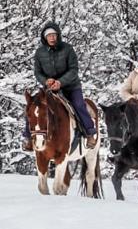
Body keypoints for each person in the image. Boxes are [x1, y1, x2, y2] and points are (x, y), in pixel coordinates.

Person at [23, 21, 97, 150]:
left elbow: (74, 70)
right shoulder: (40, 53)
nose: (52, 38)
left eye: (54, 35)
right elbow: (37, 72)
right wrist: (46, 81)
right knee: (33, 107)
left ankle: (89, 132)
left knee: (79, 105)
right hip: (49, 89)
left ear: (58, 36)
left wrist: (60, 82)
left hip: (70, 86)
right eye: (49, 35)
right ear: (44, 37)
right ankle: (28, 137)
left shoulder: (68, 49)